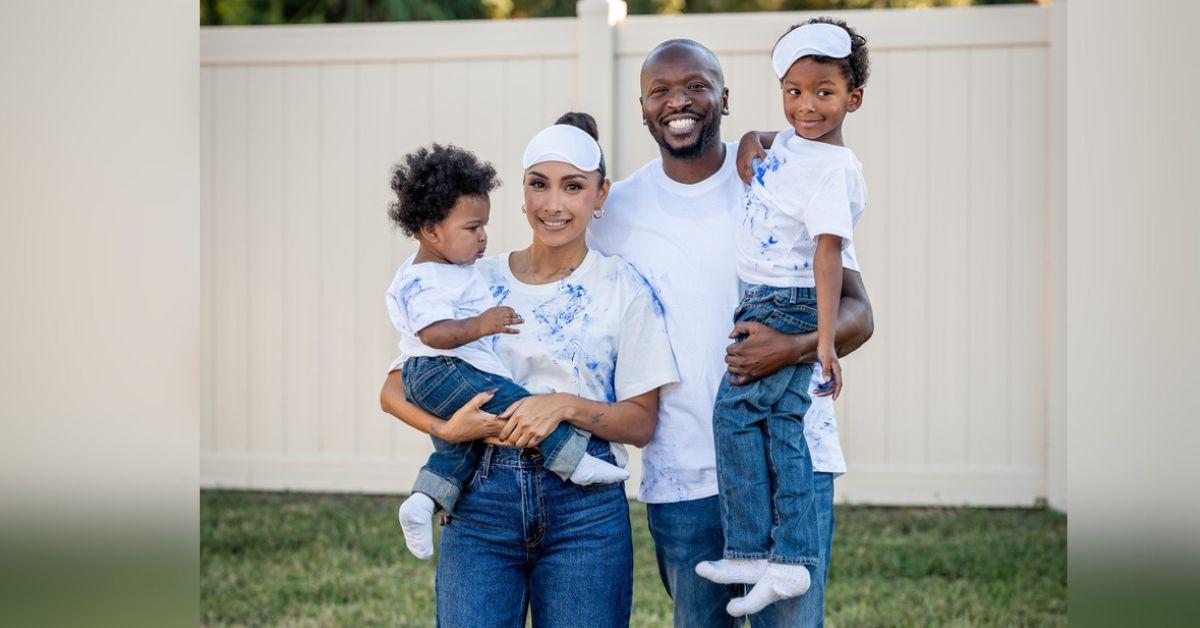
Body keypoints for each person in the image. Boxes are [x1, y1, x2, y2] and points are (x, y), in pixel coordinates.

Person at [585, 38, 873, 626]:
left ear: (725, 96)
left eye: (695, 84)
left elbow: (858, 312)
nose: (677, 101)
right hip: (682, 473)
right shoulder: (617, 212)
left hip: (791, 463)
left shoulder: (783, 179)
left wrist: (790, 349)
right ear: (642, 107)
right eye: (659, 91)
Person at [381, 113, 678, 627]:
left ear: (600, 195)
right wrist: (446, 430)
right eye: (538, 185)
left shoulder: (622, 287)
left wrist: (561, 405)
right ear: (521, 192)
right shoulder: (473, 278)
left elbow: (642, 423)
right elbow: (393, 388)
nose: (552, 204)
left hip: (585, 514)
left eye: (573, 187)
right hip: (480, 502)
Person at [695, 18, 871, 617]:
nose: (806, 106)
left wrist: (820, 340)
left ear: (854, 98)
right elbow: (784, 138)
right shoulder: (801, 144)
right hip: (766, 297)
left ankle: (786, 558)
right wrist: (751, 134)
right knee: (760, 424)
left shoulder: (832, 170)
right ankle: (754, 553)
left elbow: (828, 257)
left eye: (824, 92)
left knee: (754, 419)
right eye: (793, 92)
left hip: (787, 300)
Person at [385, 143, 632, 560]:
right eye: (471, 228)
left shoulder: (449, 272)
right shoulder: (429, 280)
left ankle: (424, 499)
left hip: (434, 376)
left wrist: (448, 431)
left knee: (458, 450)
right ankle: (571, 459)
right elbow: (433, 336)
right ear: (431, 230)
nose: (483, 237)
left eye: (484, 226)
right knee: (516, 401)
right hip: (440, 369)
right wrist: (481, 325)